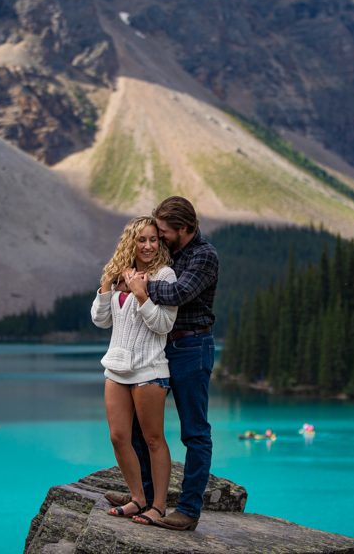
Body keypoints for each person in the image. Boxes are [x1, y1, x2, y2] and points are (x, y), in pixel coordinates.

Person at [109, 196, 219, 532]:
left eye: (165, 232)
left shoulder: (204, 256)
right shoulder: (171, 254)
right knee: (143, 430)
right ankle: (142, 496)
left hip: (191, 345)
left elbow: (176, 294)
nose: (160, 238)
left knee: (194, 432)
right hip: (159, 348)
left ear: (185, 228)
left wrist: (138, 284)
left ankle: (187, 510)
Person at [91, 215, 178, 527]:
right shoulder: (121, 274)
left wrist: (142, 294)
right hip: (116, 367)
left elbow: (164, 325)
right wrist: (106, 287)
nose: (148, 245)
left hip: (149, 370)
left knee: (154, 439)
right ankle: (137, 498)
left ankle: (157, 506)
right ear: (131, 242)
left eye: (153, 239)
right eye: (141, 239)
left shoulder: (165, 275)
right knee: (118, 437)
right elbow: (100, 321)